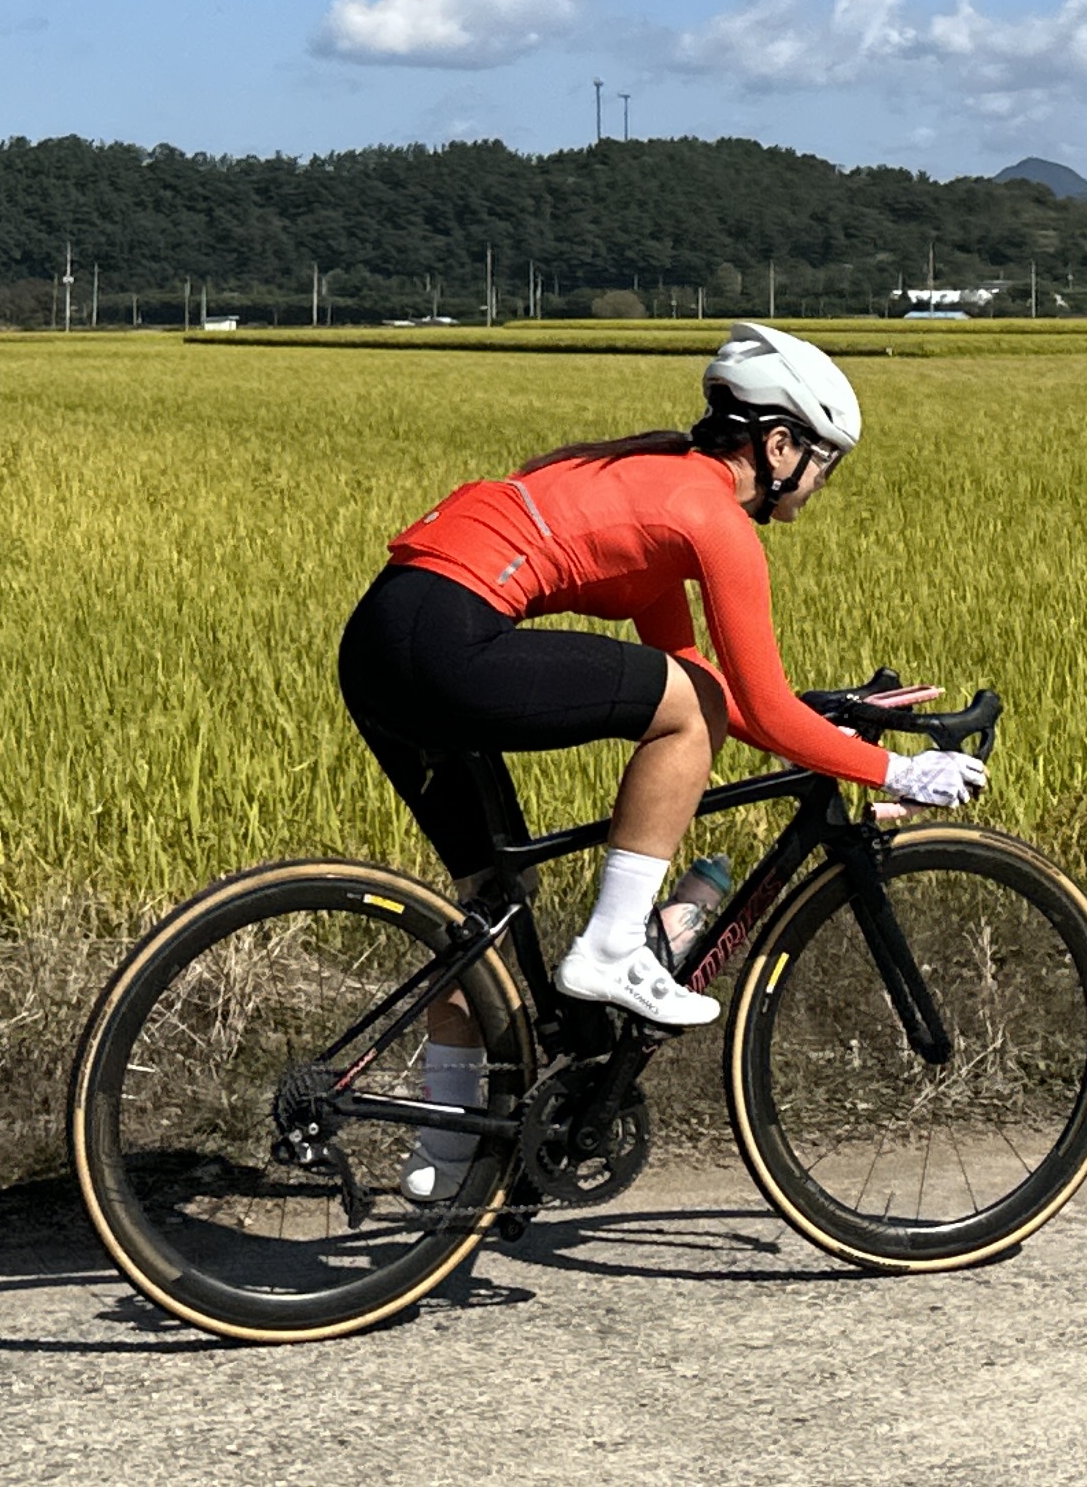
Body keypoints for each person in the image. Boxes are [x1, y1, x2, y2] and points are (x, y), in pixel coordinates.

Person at [336, 320, 989, 1199]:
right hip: (447, 641)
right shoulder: (711, 518)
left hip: (383, 640)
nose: (824, 482)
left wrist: (824, 722)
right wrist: (897, 773)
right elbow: (736, 705)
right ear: (780, 445)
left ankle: (444, 1164)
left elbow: (701, 682)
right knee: (687, 715)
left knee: (488, 912)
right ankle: (613, 948)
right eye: (825, 462)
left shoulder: (651, 482)